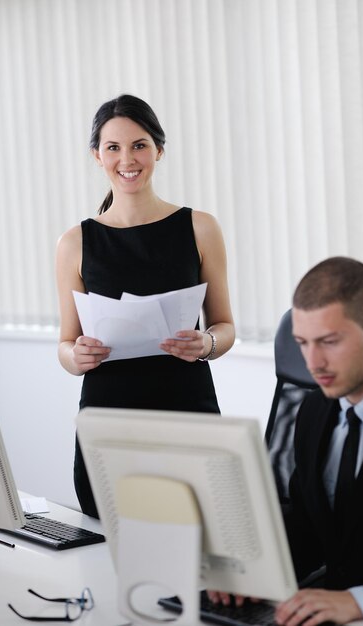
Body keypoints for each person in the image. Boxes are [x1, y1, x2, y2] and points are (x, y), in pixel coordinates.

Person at [55, 94, 235, 518]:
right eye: (113, 147)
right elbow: (65, 344)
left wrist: (206, 343)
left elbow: (225, 325)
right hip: (108, 422)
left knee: (199, 545)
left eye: (139, 144)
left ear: (159, 149)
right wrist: (75, 356)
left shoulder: (199, 227)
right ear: (97, 156)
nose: (127, 158)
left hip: (187, 411)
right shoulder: (74, 243)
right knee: (111, 553)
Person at [210, 256, 363, 624]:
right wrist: (255, 575)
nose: (313, 362)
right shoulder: (313, 412)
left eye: (329, 342)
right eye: (303, 343)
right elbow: (307, 527)